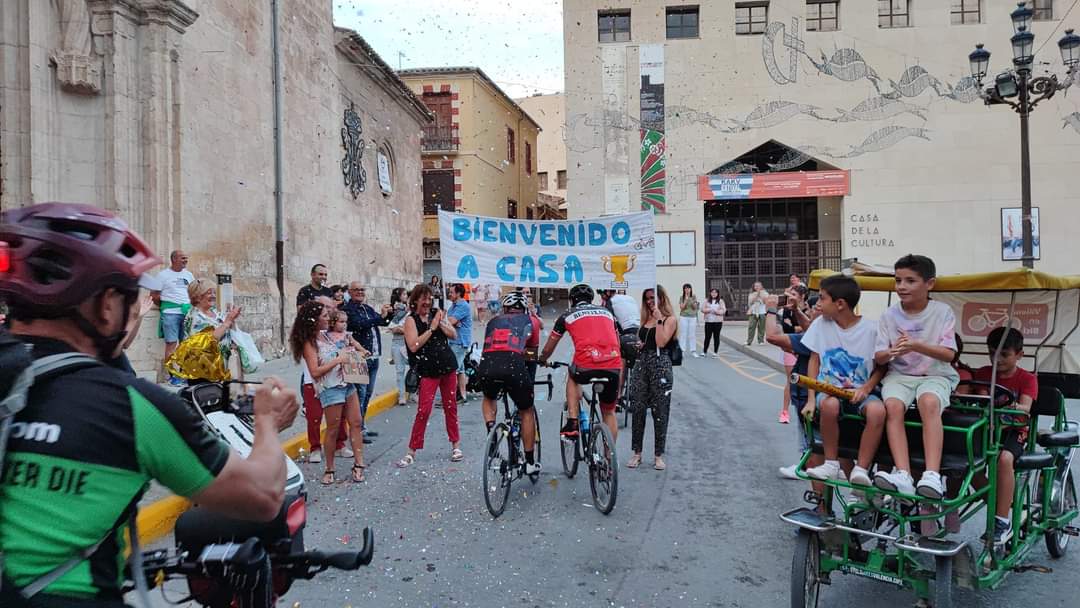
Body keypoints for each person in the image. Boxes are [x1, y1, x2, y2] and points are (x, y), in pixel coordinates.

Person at [0, 203, 298, 606]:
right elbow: (261, 497)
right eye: (132, 299)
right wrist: (266, 421)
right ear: (106, 305)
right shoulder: (130, 406)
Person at [872, 254, 959, 499]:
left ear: (929, 284)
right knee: (892, 406)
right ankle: (903, 474)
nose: (901, 287)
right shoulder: (889, 315)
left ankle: (931, 474)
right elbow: (879, 356)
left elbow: (948, 354)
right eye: (898, 280)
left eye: (910, 281)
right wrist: (892, 351)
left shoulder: (942, 312)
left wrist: (916, 345)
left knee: (929, 402)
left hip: (935, 374)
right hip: (899, 375)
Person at [800, 275, 887, 487]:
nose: (817, 304)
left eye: (822, 298)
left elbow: (881, 366)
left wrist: (866, 388)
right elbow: (814, 360)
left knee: (877, 411)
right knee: (829, 405)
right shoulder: (821, 324)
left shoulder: (872, 329)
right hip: (828, 390)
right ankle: (831, 463)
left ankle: (861, 469)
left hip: (861, 391)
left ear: (840, 304)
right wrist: (811, 398)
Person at [971, 327, 1038, 545]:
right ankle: (1002, 502)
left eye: (1004, 355)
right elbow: (979, 401)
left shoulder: (1027, 379)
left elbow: (1025, 408)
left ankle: (1002, 520)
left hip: (1014, 430)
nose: (997, 360)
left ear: (1019, 355)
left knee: (1004, 459)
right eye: (992, 354)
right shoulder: (982, 374)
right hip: (988, 429)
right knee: (967, 463)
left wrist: (1012, 406)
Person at [290, 303, 366, 485]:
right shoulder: (310, 343)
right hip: (330, 389)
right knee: (333, 428)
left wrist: (353, 353)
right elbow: (315, 371)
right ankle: (329, 468)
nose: (327, 318)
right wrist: (338, 360)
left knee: (356, 423)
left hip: (347, 383)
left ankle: (359, 464)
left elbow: (348, 347)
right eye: (324, 316)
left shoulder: (328, 336)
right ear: (313, 320)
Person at [539, 283, 623, 442]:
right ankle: (609, 460)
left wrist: (542, 359)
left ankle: (572, 421)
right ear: (591, 299)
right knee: (608, 413)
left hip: (586, 366)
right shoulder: (607, 313)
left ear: (571, 300)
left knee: (572, 374)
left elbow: (549, 347)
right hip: (612, 364)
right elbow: (617, 343)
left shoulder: (567, 315)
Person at [478, 291, 543, 475]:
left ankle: (492, 432)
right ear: (524, 309)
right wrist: (528, 383)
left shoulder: (492, 322)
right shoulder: (532, 321)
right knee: (526, 410)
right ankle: (530, 462)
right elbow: (531, 356)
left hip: (487, 366)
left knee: (489, 397)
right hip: (514, 367)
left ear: (504, 308)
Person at [398, 283, 462, 467]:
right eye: (424, 298)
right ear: (416, 300)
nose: (427, 302)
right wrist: (432, 329)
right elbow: (414, 345)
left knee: (451, 407)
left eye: (430, 298)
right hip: (428, 371)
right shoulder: (411, 320)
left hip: (447, 366)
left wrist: (442, 323)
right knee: (424, 410)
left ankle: (456, 445)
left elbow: (454, 335)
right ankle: (412, 450)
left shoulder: (438, 314)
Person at [765, 293, 819, 480]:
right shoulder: (827, 330)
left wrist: (771, 309)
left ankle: (808, 465)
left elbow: (772, 336)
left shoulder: (819, 337)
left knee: (811, 437)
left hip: (809, 394)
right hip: (808, 393)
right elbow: (810, 328)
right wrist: (796, 310)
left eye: (816, 307)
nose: (811, 310)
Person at [628, 286, 678, 470]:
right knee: (638, 409)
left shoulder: (669, 319)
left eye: (652, 298)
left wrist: (659, 320)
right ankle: (637, 453)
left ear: (661, 298)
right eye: (647, 298)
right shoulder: (645, 318)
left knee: (660, 412)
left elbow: (661, 342)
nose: (649, 302)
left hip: (661, 366)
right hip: (642, 365)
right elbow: (646, 341)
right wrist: (639, 344)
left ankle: (658, 455)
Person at [342, 282, 393, 442]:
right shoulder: (347, 310)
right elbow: (359, 324)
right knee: (359, 396)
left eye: (362, 290)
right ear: (349, 292)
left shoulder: (367, 309)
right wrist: (379, 317)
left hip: (373, 357)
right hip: (356, 357)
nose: (360, 292)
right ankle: (356, 430)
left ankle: (361, 426)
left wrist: (389, 314)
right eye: (356, 290)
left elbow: (382, 322)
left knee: (368, 394)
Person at [184, 278, 243, 379]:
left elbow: (225, 328)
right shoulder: (194, 317)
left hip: (222, 367)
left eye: (214, 293)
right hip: (205, 371)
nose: (213, 296)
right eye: (209, 293)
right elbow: (208, 340)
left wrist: (232, 319)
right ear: (198, 297)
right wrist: (228, 321)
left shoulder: (214, 312)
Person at [152, 249, 194, 376]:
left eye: (186, 258)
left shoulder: (189, 275)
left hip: (187, 313)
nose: (185, 260)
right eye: (182, 258)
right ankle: (172, 375)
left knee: (186, 344)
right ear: (174, 259)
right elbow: (154, 296)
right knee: (171, 344)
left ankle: (184, 373)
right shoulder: (162, 275)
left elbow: (194, 293)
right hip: (170, 313)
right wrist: (165, 307)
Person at [777, 285, 809, 423]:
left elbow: (810, 327)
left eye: (794, 294)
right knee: (791, 379)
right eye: (789, 294)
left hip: (807, 348)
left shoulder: (810, 308)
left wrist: (798, 326)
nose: (790, 297)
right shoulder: (787, 310)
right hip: (791, 347)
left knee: (808, 380)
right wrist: (799, 327)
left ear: (802, 297)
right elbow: (786, 328)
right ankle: (785, 412)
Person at [445, 283, 473, 403]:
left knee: (452, 370)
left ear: (458, 293)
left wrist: (449, 321)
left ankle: (450, 397)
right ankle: (462, 395)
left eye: (451, 292)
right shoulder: (453, 306)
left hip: (460, 341)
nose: (449, 294)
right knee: (460, 370)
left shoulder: (463, 306)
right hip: (453, 340)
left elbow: (450, 321)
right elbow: (449, 321)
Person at [388, 287, 412, 406]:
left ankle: (413, 392)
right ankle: (402, 395)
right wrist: (403, 329)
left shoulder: (411, 312)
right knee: (400, 371)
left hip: (409, 342)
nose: (406, 297)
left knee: (415, 368)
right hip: (398, 343)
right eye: (404, 295)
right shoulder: (398, 311)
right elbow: (392, 328)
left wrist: (404, 330)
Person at [702, 288, 726, 358]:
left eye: (715, 292)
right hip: (708, 321)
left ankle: (715, 352)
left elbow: (724, 310)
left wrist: (717, 312)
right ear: (710, 293)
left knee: (716, 337)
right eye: (712, 292)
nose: (714, 294)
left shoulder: (721, 301)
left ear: (718, 294)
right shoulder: (707, 300)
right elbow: (702, 309)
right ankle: (704, 351)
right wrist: (709, 310)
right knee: (707, 337)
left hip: (717, 322)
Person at [678, 283, 700, 358]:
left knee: (692, 334)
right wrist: (686, 300)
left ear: (691, 289)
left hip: (692, 317)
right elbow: (682, 307)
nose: (687, 290)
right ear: (684, 290)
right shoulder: (682, 297)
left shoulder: (694, 297)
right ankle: (682, 351)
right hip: (684, 317)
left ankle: (693, 351)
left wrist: (692, 301)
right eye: (685, 288)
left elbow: (695, 307)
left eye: (688, 288)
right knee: (683, 334)